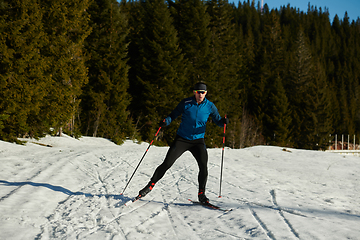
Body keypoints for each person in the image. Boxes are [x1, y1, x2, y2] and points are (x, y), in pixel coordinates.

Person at [138, 82, 229, 204]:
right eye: (198, 92)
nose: (200, 94)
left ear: (206, 93)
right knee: (167, 163)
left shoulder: (210, 106)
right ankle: (150, 185)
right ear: (194, 92)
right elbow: (173, 114)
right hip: (182, 139)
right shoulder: (186, 103)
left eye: (203, 92)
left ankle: (201, 194)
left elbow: (217, 120)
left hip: (198, 141)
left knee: (203, 166)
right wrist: (166, 122)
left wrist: (223, 121)